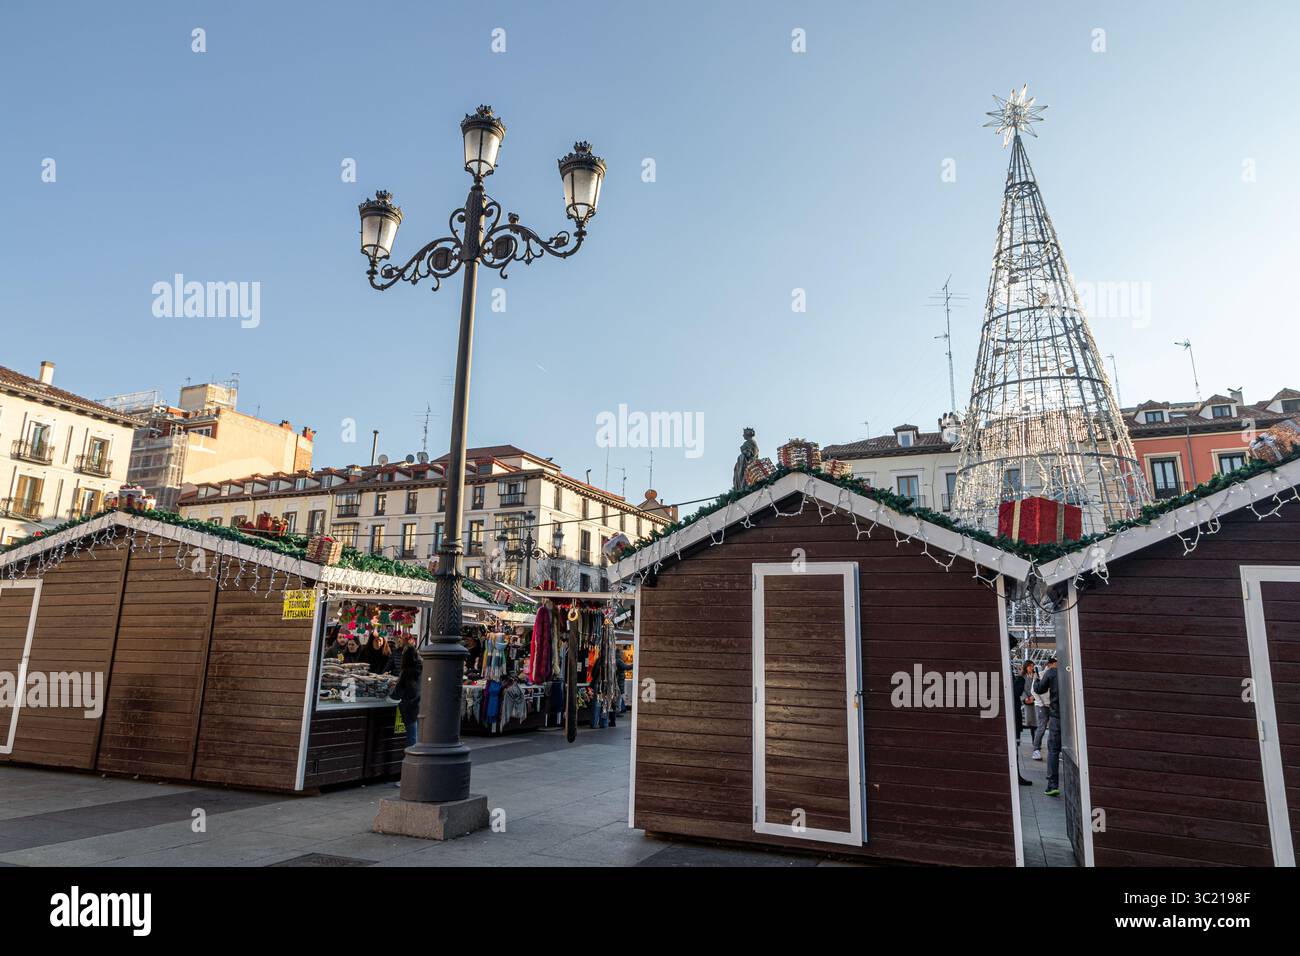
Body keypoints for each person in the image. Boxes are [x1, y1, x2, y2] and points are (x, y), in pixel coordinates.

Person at [1034, 657, 1062, 797]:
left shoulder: (1052, 673)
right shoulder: (1075, 670)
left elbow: (1039, 689)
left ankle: (1052, 785)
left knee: (1053, 750)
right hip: (1076, 717)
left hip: (1057, 716)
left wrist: (1037, 679)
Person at [390, 634, 422, 750]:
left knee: (412, 738)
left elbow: (396, 695)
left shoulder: (406, 673)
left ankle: (412, 760)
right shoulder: (422, 669)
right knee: (416, 736)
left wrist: (392, 688)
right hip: (420, 707)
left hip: (409, 708)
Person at [1010, 663, 1032, 786]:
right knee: (1014, 747)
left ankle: (1016, 775)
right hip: (1013, 718)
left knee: (1014, 747)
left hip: (1014, 718)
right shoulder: (1018, 679)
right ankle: (1016, 776)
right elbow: (1015, 693)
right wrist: (1021, 679)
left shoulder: (1015, 678)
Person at [1031, 660, 1051, 760]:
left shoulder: (1055, 674)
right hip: (1042, 706)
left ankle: (1053, 749)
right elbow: (1033, 690)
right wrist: (1041, 703)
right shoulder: (1041, 674)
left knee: (1053, 728)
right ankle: (1036, 750)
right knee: (1041, 728)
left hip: (1051, 705)